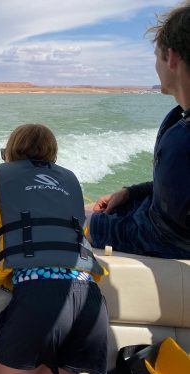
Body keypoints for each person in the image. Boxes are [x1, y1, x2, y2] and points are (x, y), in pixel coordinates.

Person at [0, 124, 108, 374]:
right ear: (52, 151)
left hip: (38, 294)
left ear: (11, 149)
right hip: (90, 300)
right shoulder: (70, 178)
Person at [85, 4, 190, 259]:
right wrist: (130, 193)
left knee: (76, 217)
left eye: (156, 56)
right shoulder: (181, 119)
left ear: (172, 57)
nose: (155, 65)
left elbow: (169, 237)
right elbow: (176, 191)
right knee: (89, 210)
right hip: (153, 215)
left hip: (160, 237)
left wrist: (95, 228)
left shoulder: (184, 139)